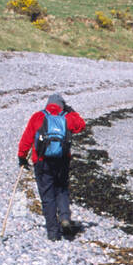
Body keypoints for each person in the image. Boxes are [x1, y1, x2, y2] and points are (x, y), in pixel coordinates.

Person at [17, 93, 85, 241]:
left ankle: (53, 232)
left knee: (47, 195)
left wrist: (22, 156)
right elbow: (81, 125)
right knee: (61, 190)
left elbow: (27, 138)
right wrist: (71, 111)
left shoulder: (38, 117)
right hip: (62, 161)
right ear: (62, 105)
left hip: (42, 161)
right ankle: (65, 218)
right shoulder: (67, 117)